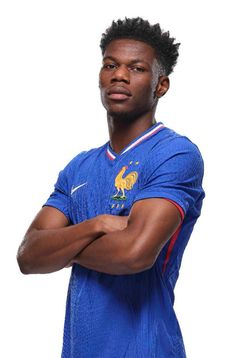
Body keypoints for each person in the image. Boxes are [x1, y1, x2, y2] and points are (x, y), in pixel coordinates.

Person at [17, 17, 205, 358]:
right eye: (110, 65)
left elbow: (134, 254)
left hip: (146, 349)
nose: (119, 75)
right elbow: (28, 256)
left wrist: (61, 250)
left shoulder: (174, 154)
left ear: (160, 85)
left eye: (136, 68)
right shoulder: (79, 167)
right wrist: (97, 225)